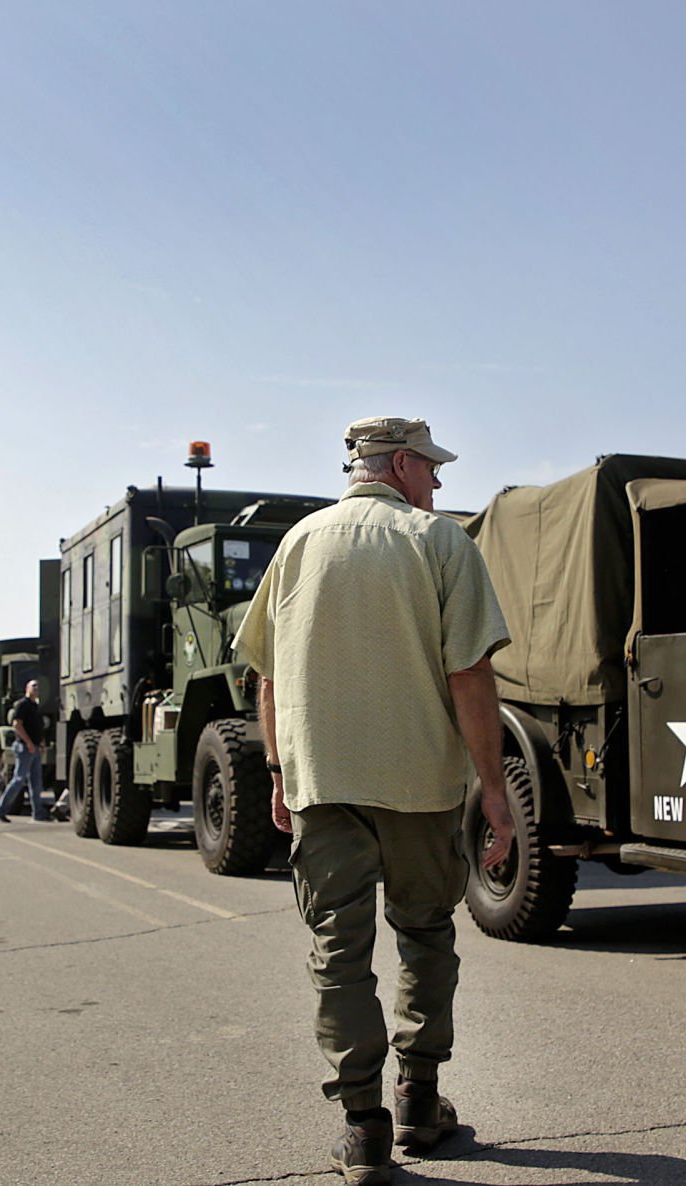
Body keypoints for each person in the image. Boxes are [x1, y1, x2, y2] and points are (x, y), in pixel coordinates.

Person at [234, 416, 515, 1186]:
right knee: (425, 937)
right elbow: (470, 677)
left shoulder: (297, 545)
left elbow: (267, 677)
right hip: (420, 788)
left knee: (338, 955)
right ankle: (420, 1104)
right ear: (398, 464)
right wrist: (495, 791)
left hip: (324, 786)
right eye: (430, 468)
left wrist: (280, 773)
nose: (438, 483)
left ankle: (363, 1133)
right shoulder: (440, 543)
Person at [0, 680, 49, 822]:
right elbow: (17, 724)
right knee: (18, 780)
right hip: (24, 747)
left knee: (36, 783)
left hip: (34, 748)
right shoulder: (22, 705)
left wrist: (41, 743)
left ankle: (38, 813)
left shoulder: (36, 706)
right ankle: (0, 809)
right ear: (27, 689)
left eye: (38, 687)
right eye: (34, 686)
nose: (37, 689)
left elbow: (38, 727)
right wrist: (29, 742)